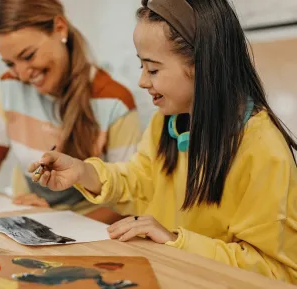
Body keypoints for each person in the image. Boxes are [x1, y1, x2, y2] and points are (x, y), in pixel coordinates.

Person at [28, 0, 297, 283]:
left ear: (201, 65)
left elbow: (275, 272)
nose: (142, 80)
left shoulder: (263, 149)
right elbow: (140, 183)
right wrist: (83, 172)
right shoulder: (167, 123)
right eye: (141, 65)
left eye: (153, 69)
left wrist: (175, 241)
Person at [0, 0, 142, 224]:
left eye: (28, 56)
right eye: (10, 64)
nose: (22, 74)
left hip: (88, 234)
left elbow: (129, 201)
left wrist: (53, 222)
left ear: (60, 29)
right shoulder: (8, 87)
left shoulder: (114, 101)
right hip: (26, 224)